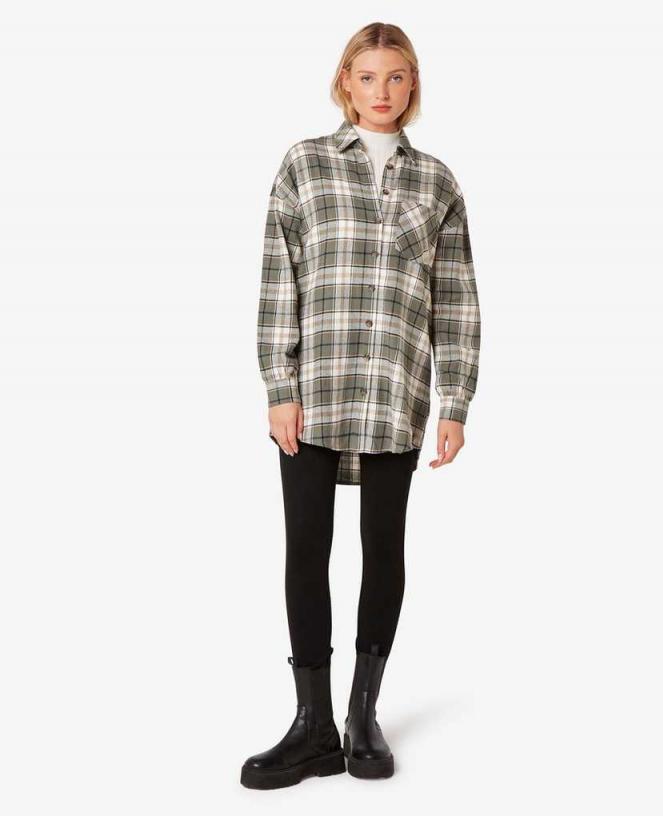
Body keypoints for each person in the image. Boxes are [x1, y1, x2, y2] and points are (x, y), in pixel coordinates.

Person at [241, 22, 481, 789]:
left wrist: (455, 401)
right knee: (306, 547)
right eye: (368, 76)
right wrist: (279, 388)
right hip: (315, 392)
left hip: (395, 391)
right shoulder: (305, 164)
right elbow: (278, 277)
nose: (383, 91)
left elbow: (456, 297)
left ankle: (361, 714)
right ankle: (312, 725)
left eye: (397, 77)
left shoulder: (437, 182)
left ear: (413, 85)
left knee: (384, 547)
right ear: (345, 81)